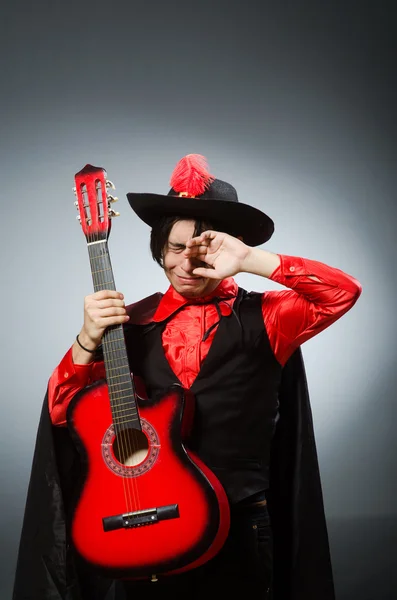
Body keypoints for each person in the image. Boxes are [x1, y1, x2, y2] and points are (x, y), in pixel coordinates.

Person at [13, 154, 362, 600]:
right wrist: (85, 340)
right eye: (175, 248)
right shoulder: (126, 323)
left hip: (238, 527)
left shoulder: (271, 317)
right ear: (159, 248)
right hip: (144, 523)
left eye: (204, 250)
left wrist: (252, 260)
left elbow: (342, 292)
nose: (187, 263)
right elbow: (64, 415)